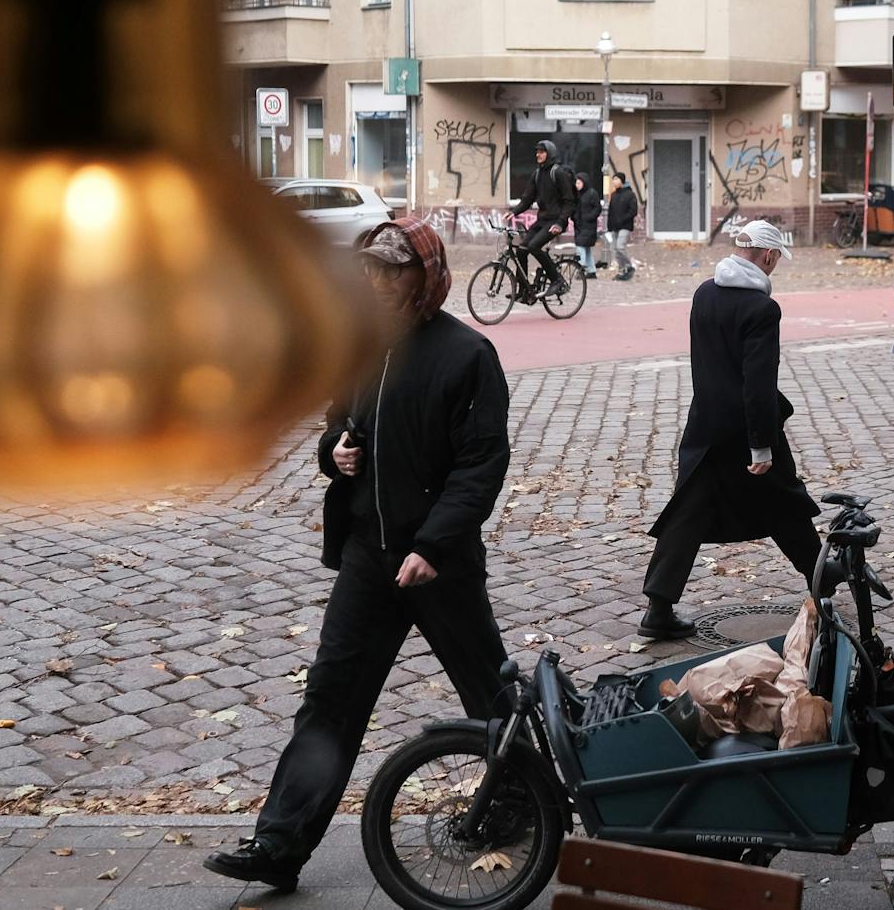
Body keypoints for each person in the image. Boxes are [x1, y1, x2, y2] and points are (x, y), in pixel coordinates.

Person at [203, 218, 511, 894]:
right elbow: (337, 428)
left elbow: (482, 463)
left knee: (491, 692)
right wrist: (335, 451)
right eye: (368, 269)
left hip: (439, 563)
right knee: (331, 698)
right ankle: (279, 845)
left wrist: (433, 545)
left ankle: (519, 806)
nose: (374, 282)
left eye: (391, 270)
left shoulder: (467, 355)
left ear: (425, 278)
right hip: (369, 561)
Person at [639, 220, 820, 640]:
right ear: (769, 256)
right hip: (744, 431)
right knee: (785, 502)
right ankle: (825, 582)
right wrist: (761, 446)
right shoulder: (761, 309)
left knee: (687, 514)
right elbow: (756, 384)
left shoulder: (705, 293)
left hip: (705, 425)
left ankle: (658, 608)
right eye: (776, 262)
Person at [510, 138, 575, 294]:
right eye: (537, 151)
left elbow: (569, 201)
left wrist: (560, 223)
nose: (538, 154)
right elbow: (527, 198)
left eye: (541, 151)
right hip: (543, 220)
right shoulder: (537, 174)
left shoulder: (558, 173)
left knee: (534, 246)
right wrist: (514, 212)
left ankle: (557, 280)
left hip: (556, 221)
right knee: (521, 250)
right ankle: (524, 290)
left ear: (550, 153)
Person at [606, 171, 639, 282]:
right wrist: (609, 226)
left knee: (620, 246)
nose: (614, 182)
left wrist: (623, 219)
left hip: (625, 225)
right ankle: (622, 269)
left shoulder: (630, 194)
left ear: (622, 180)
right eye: (613, 180)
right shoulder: (614, 195)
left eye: (616, 179)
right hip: (615, 226)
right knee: (615, 250)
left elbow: (633, 211)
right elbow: (611, 211)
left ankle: (629, 266)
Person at [572, 171, 603, 274]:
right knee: (586, 248)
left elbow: (597, 208)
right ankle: (591, 270)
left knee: (581, 247)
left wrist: (589, 217)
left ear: (584, 182)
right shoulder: (577, 195)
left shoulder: (591, 193)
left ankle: (581, 270)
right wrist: (574, 217)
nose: (577, 185)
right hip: (579, 225)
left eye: (579, 183)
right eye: (576, 183)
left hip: (588, 225)